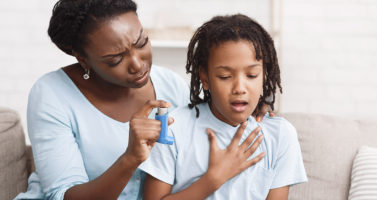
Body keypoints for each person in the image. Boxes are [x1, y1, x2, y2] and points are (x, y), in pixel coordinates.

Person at [15, 1, 271, 200]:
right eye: (115, 59)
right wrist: (130, 158)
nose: (138, 64)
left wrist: (251, 107)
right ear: (83, 59)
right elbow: (63, 196)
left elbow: (212, 116)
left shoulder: (169, 85)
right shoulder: (52, 95)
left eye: (142, 42)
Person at [140, 14, 308, 200]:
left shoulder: (280, 135)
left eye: (251, 75)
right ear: (205, 78)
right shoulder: (173, 129)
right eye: (225, 77)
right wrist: (213, 179)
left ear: (264, 76)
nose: (239, 88)